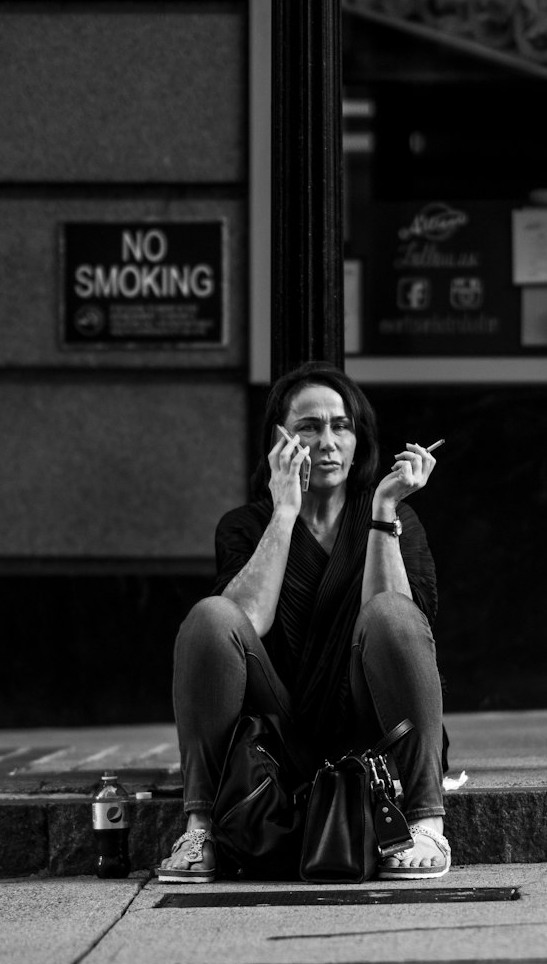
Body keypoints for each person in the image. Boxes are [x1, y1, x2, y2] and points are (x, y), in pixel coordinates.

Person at [157, 359, 450, 882]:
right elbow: (243, 620)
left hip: (367, 729)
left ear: (359, 438)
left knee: (391, 613)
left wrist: (385, 508)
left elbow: (402, 629)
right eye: (309, 428)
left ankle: (427, 823)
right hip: (278, 733)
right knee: (209, 616)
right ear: (281, 439)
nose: (328, 442)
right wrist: (284, 512)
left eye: (341, 426)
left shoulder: (396, 517)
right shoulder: (246, 526)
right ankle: (200, 828)